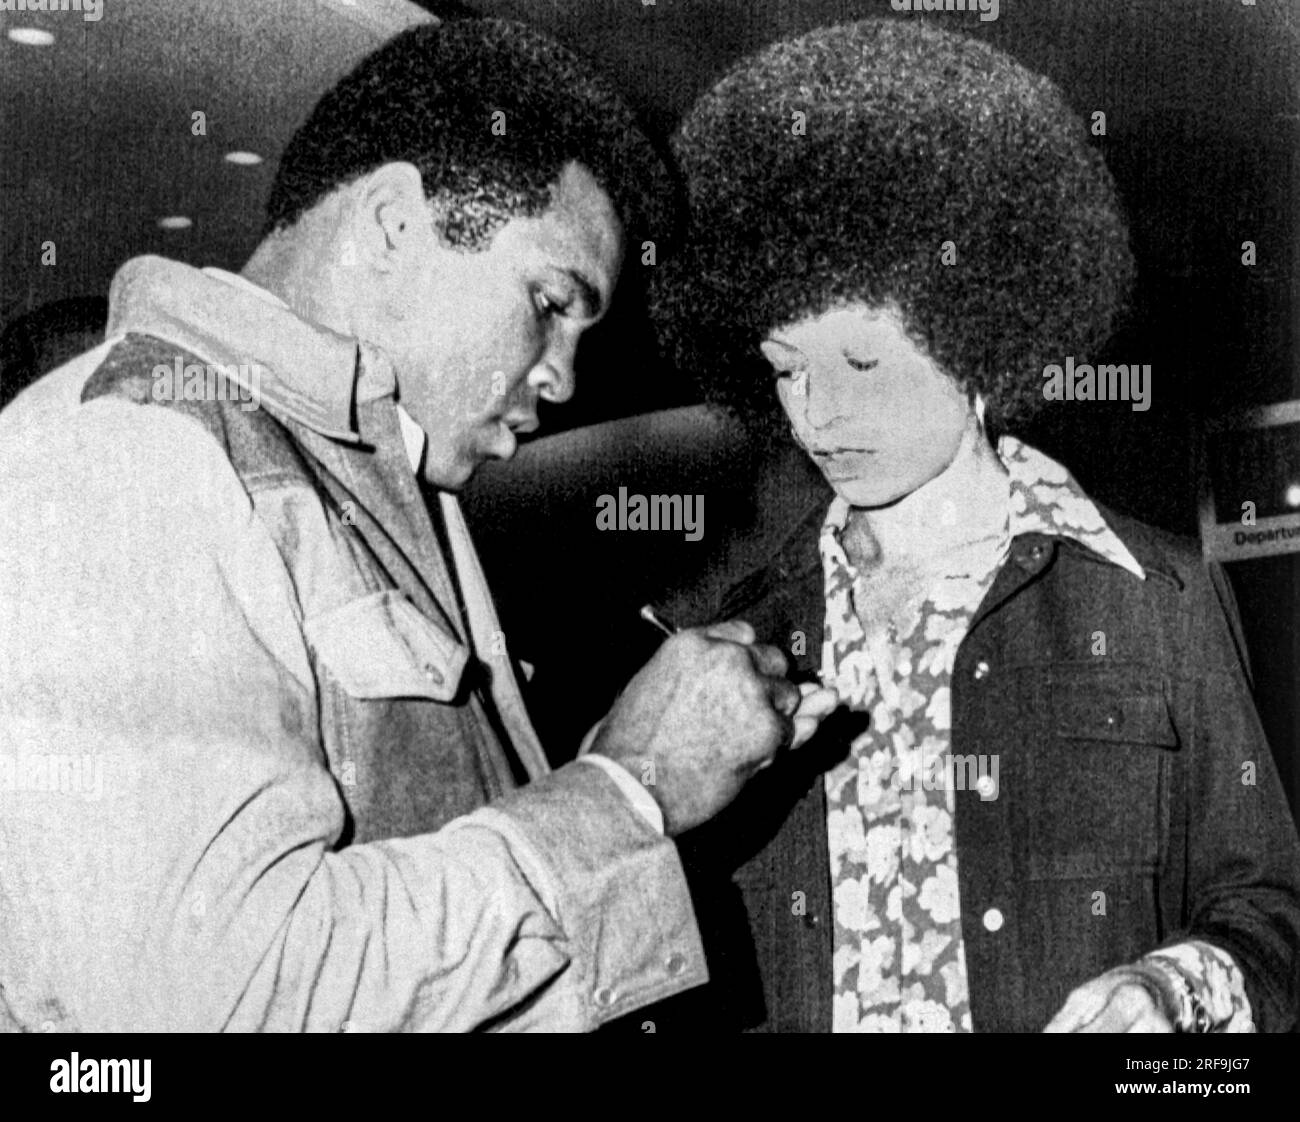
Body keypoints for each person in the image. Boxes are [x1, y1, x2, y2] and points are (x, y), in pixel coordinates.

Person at [0, 18, 836, 1033]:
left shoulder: (376, 488)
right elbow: (198, 1004)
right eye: (548, 300)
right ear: (393, 224)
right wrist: (626, 791)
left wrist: (638, 777)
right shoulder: (132, 447)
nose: (562, 378)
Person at [644, 18, 1300, 1032]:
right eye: (785, 367)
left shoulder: (1156, 598)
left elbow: (1271, 910)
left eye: (861, 360)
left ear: (979, 339)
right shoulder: (728, 635)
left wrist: (1173, 991)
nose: (815, 410)